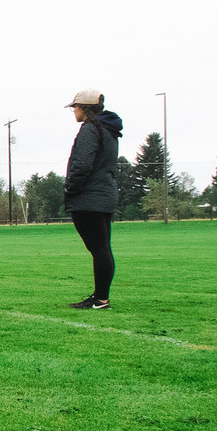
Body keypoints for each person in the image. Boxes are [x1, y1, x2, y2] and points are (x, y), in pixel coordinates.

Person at [61, 88, 123, 309]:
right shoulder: (109, 130)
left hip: (89, 198)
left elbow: (82, 164)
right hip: (104, 195)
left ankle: (101, 299)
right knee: (102, 248)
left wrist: (70, 189)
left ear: (84, 108)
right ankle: (101, 297)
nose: (73, 111)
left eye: (75, 107)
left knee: (99, 249)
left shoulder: (90, 129)